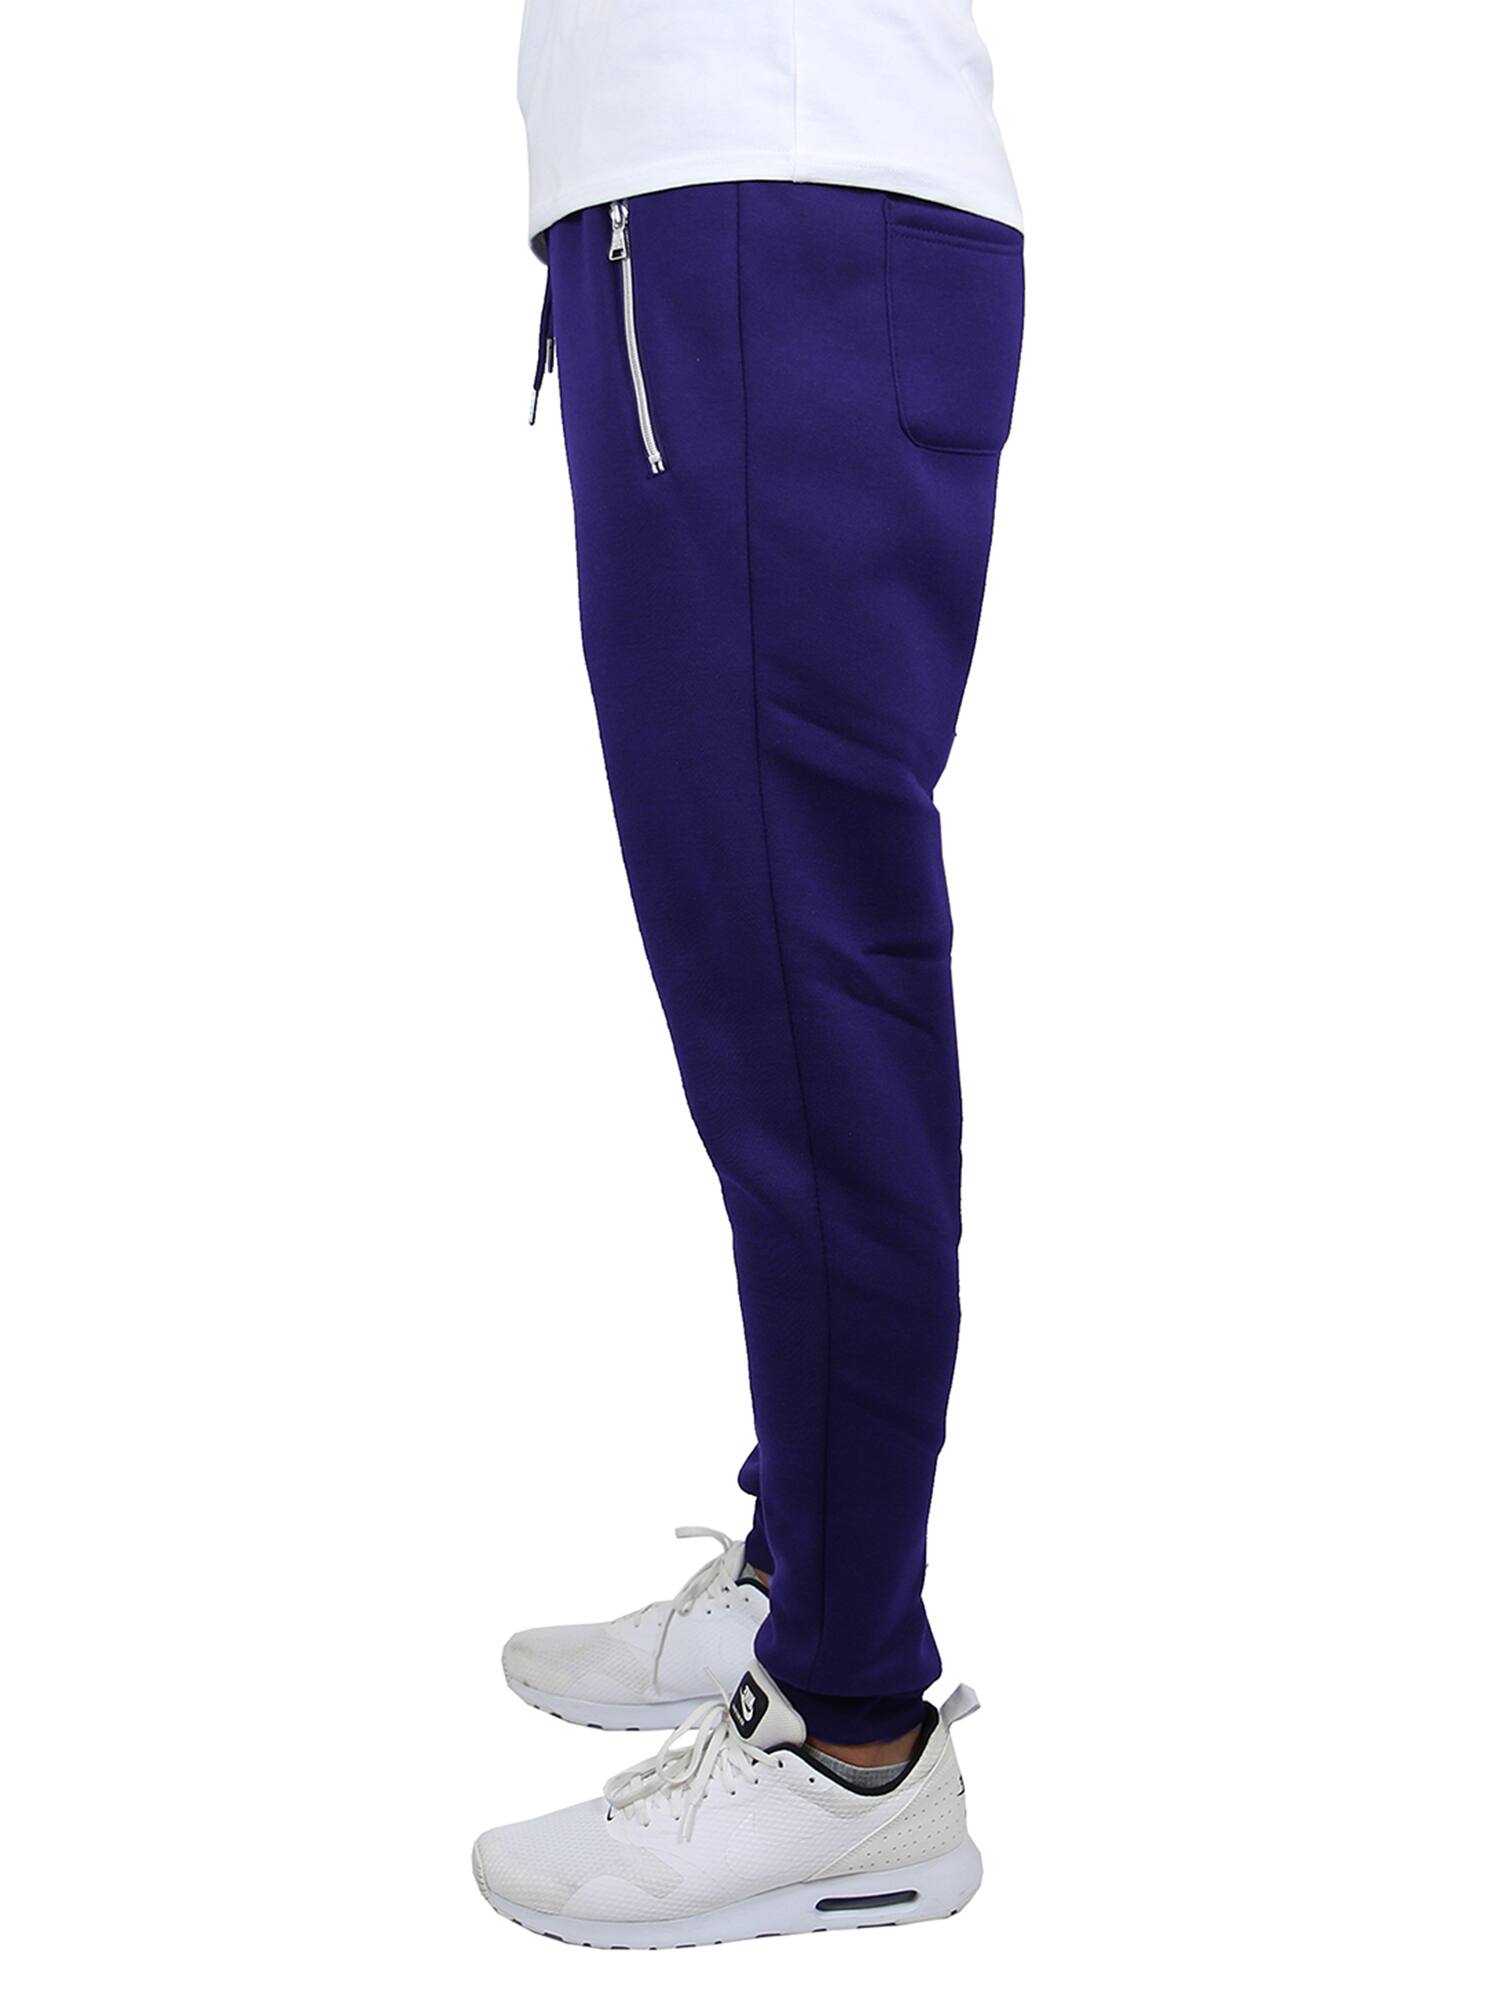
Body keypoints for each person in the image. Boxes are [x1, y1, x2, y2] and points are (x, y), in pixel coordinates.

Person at [473, 0, 1025, 1949]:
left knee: (804, 1002)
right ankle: (813, 1565)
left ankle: (849, 1731)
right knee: (776, 987)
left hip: (759, 225)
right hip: (729, 226)